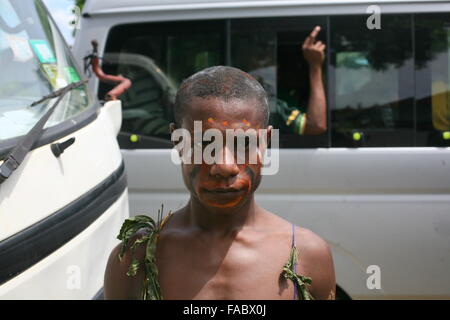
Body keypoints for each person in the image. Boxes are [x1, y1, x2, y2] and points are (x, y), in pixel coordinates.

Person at [104, 66, 336, 300]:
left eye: (244, 143)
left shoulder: (308, 255)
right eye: (205, 144)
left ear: (266, 142)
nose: (224, 166)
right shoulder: (136, 258)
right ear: (178, 142)